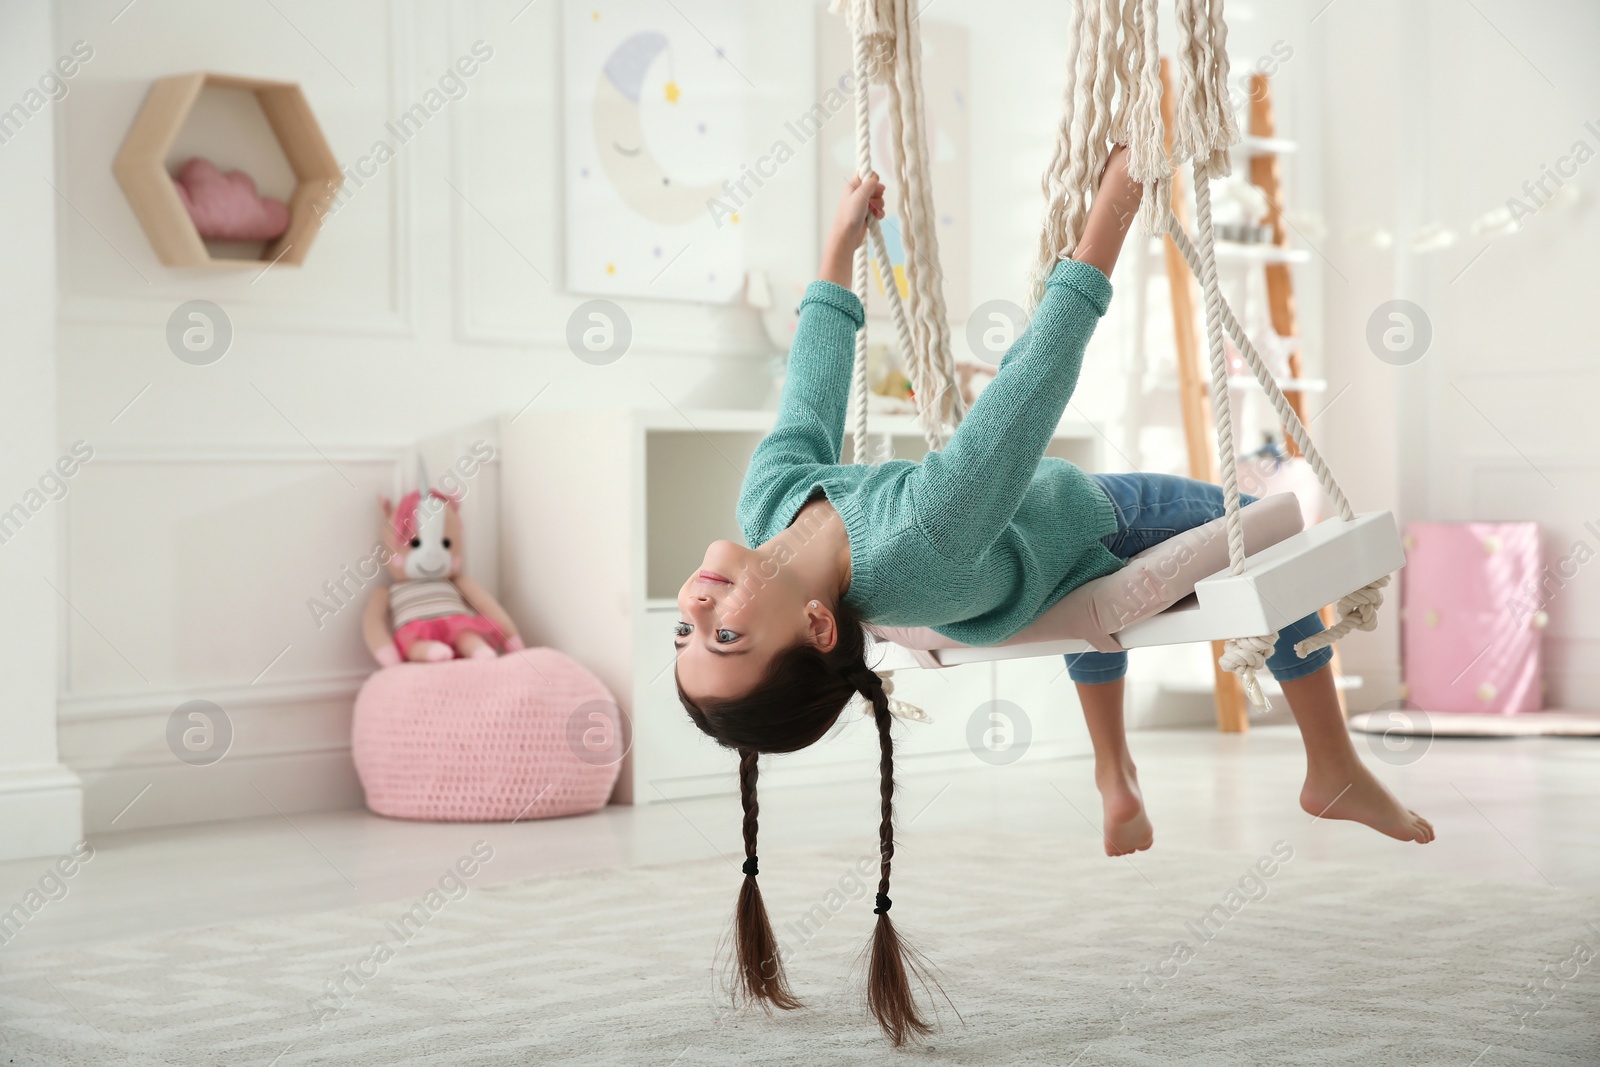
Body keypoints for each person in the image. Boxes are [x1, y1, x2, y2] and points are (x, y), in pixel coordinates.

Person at [675, 146, 1433, 1045]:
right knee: (1260, 533)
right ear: (813, 623)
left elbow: (809, 385)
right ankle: (1331, 766)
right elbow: (1032, 385)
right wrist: (1114, 208)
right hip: (1098, 519)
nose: (699, 606)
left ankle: (1116, 775)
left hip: (1034, 573)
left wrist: (838, 248)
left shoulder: (767, 501)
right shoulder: (925, 531)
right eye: (722, 638)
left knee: (1083, 597)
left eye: (686, 628)